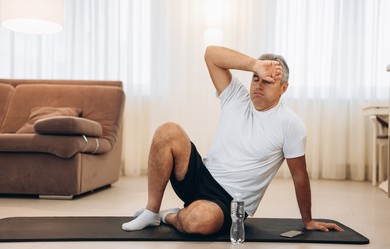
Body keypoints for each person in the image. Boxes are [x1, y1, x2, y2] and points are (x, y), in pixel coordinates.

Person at [122, 45, 344, 235]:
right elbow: (211, 54)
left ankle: (169, 216)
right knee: (168, 131)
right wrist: (255, 64)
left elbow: (300, 176)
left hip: (227, 202)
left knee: (198, 220)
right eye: (256, 78)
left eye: (267, 81)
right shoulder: (236, 96)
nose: (258, 85)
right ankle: (151, 212)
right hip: (201, 176)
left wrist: (308, 220)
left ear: (283, 88)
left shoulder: (291, 124)